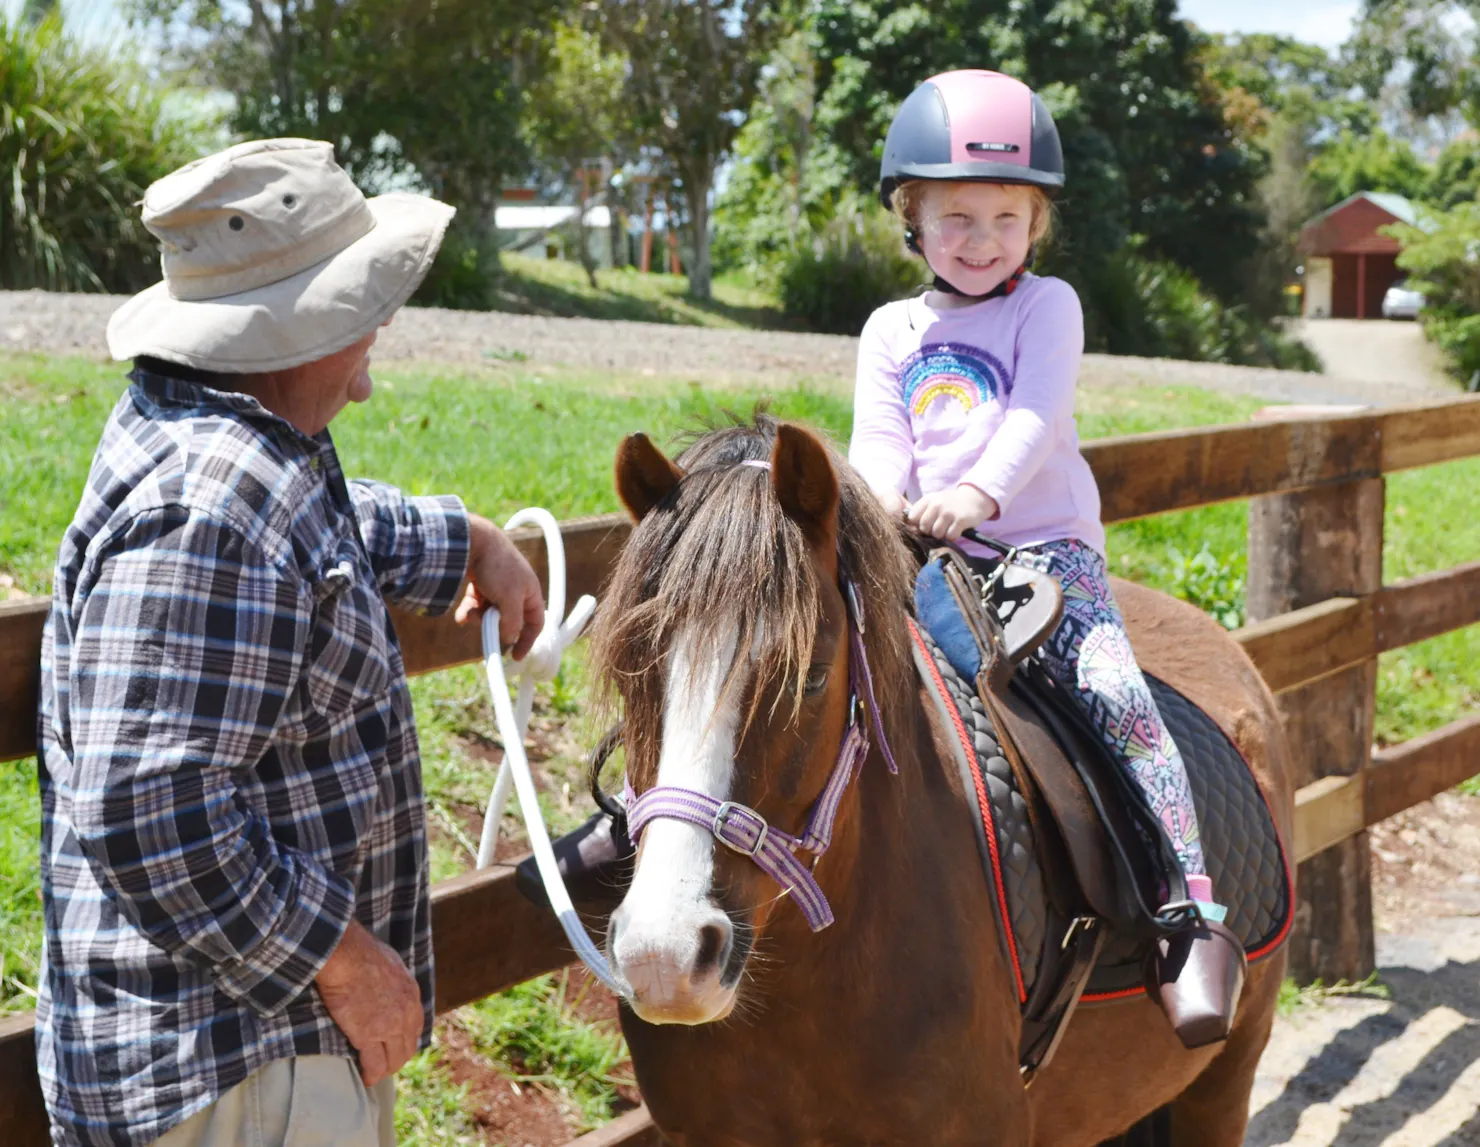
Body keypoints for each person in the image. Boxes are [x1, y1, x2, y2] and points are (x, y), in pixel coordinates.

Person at [35, 138, 546, 1147]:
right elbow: (148, 809)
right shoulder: (211, 506)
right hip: (232, 1072)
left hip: (245, 1052)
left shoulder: (238, 442)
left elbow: (319, 534)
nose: (372, 348)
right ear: (284, 334)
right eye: (359, 315)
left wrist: (466, 541)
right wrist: (346, 962)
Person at [848, 70, 1245, 1046]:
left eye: (1004, 217)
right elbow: (876, 443)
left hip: (1039, 553)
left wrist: (977, 494)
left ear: (1036, 224)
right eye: (955, 217)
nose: (980, 239)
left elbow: (1032, 416)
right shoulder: (893, 330)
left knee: (1116, 698)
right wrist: (882, 506)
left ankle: (1186, 911)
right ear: (911, 217)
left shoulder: (1047, 306)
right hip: (917, 553)